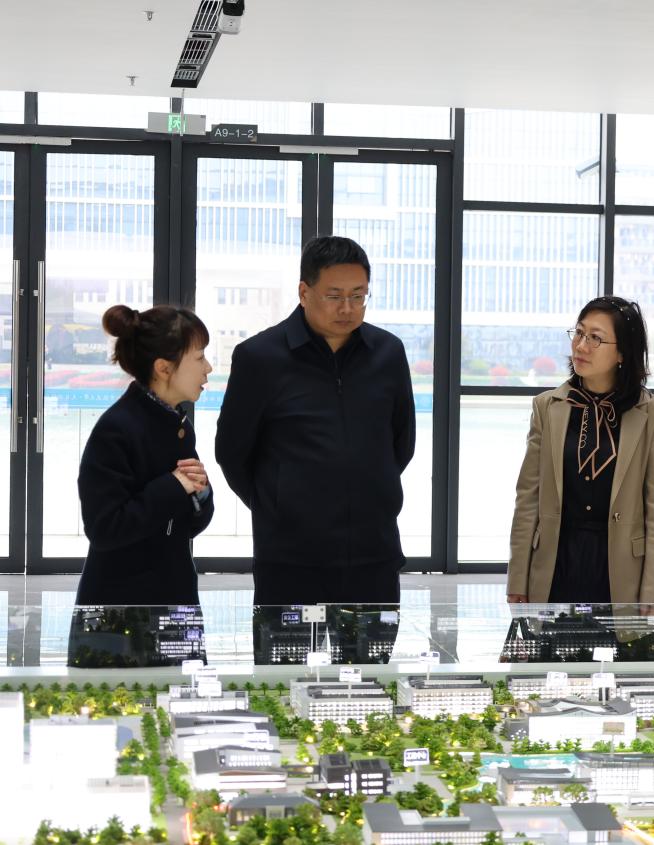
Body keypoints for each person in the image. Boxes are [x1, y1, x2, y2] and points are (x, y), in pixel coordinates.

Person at [216, 235, 416, 606]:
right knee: (286, 648)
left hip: (374, 554)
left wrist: (372, 490)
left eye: (358, 295)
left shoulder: (388, 353)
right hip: (290, 560)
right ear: (304, 292)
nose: (347, 308)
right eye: (334, 295)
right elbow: (232, 452)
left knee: (371, 648)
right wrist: (279, 505)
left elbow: (401, 444)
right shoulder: (260, 357)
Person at [506, 296, 654, 646]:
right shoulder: (548, 407)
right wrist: (517, 579)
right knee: (551, 672)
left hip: (621, 571)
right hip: (556, 563)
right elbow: (528, 500)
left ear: (622, 353)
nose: (581, 346)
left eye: (595, 338)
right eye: (579, 333)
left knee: (624, 675)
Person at [76, 305, 214, 606]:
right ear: (163, 368)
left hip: (174, 593)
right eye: (199, 357)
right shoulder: (115, 429)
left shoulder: (177, 424)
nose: (208, 368)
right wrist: (175, 486)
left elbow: (185, 526)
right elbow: (104, 529)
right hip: (121, 604)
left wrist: (200, 493)